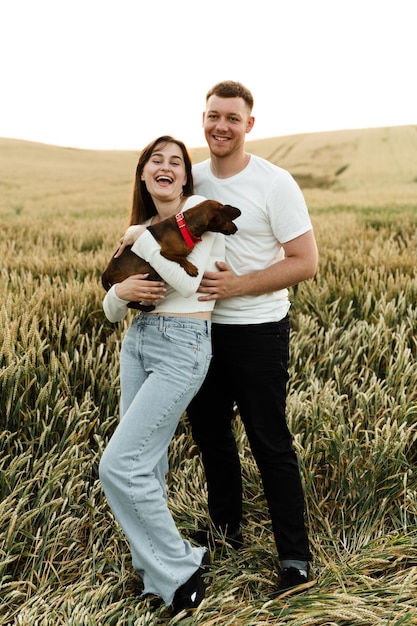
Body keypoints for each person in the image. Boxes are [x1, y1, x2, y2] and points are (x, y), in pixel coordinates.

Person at [186, 81, 319, 595]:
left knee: (270, 441)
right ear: (203, 119)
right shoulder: (190, 179)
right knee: (211, 437)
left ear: (249, 125)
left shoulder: (274, 183)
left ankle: (294, 558)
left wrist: (236, 285)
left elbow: (305, 262)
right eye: (213, 116)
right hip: (197, 333)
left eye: (232, 118)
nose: (221, 126)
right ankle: (226, 532)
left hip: (259, 332)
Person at [99, 135, 225, 614]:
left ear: (185, 177)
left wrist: (143, 243)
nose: (167, 166)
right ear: (144, 173)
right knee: (147, 465)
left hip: (182, 345)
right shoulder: (144, 227)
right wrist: (122, 290)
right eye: (157, 160)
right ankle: (157, 572)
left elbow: (190, 282)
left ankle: (181, 573)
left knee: (118, 466)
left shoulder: (199, 214)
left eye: (177, 161)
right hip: (139, 341)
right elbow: (113, 311)